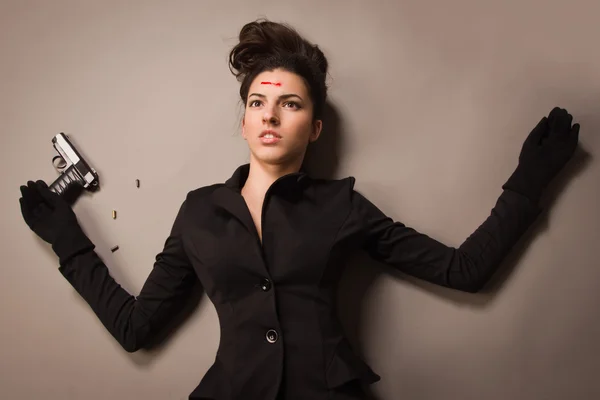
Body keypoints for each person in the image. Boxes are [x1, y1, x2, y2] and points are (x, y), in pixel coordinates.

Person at [18, 18, 580, 400]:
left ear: (312, 128)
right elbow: (137, 327)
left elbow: (464, 271)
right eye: (257, 102)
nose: (269, 115)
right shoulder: (198, 214)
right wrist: (68, 240)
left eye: (289, 104)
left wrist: (528, 182)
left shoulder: (341, 206)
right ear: (242, 122)